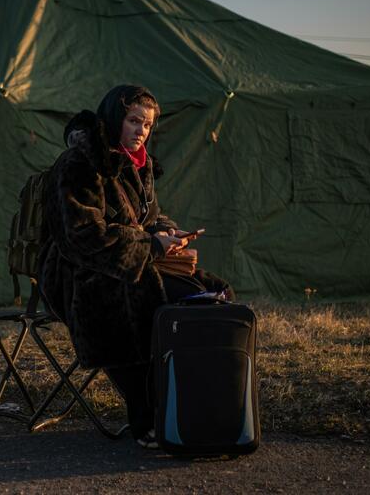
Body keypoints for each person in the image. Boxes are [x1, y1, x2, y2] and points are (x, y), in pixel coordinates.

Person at [38, 84, 234, 448]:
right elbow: (82, 236)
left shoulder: (137, 164)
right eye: (133, 121)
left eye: (146, 125)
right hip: (77, 272)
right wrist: (150, 245)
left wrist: (167, 232)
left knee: (211, 293)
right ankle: (147, 417)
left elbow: (150, 218)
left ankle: (195, 407)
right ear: (115, 118)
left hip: (131, 261)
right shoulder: (80, 163)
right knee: (141, 301)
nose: (140, 131)